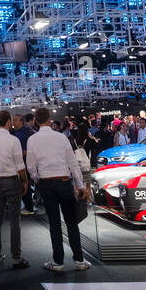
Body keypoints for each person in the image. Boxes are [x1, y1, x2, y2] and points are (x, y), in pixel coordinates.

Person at [26, 107, 89, 272]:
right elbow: (73, 163)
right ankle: (79, 260)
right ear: (49, 120)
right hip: (64, 182)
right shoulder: (61, 137)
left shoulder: (32, 139)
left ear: (36, 121)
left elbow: (31, 166)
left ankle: (58, 262)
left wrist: (37, 180)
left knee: (54, 224)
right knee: (71, 222)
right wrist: (80, 185)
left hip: (46, 183)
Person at [0, 111, 29, 268]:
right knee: (14, 221)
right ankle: (16, 258)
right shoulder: (14, 140)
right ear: (8, 122)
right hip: (12, 181)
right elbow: (20, 166)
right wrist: (25, 181)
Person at [14, 113, 37, 214]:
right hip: (19, 162)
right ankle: (28, 206)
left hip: (26, 162)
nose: (13, 122)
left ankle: (29, 207)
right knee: (22, 184)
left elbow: (32, 149)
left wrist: (22, 151)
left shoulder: (27, 132)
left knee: (25, 183)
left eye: (16, 120)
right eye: (13, 120)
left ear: (21, 121)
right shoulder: (16, 132)